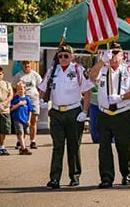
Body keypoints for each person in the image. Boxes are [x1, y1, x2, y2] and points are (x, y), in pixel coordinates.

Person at [89, 42, 130, 189]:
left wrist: (122, 97)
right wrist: (101, 61)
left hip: (123, 113)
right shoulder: (102, 69)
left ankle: (126, 174)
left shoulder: (129, 70)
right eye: (111, 52)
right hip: (104, 114)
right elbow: (91, 77)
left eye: (116, 52)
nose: (113, 56)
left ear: (122, 55)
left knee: (124, 145)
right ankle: (106, 178)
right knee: (104, 147)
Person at [39, 45, 94, 189]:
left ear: (72, 56)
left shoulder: (77, 70)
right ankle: (55, 178)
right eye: (60, 56)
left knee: (73, 146)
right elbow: (43, 88)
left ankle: (74, 176)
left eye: (66, 56)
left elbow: (87, 91)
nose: (62, 59)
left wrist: (85, 111)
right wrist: (42, 101)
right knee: (57, 146)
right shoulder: (52, 71)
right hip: (56, 112)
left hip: (73, 112)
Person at [13, 60, 42, 149]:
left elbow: (41, 87)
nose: (26, 65)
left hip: (33, 99)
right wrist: (17, 98)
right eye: (25, 64)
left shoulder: (35, 75)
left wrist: (39, 97)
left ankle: (32, 141)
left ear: (31, 64)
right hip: (22, 100)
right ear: (22, 65)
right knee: (22, 120)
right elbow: (14, 87)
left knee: (33, 120)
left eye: (28, 63)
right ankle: (20, 141)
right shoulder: (18, 75)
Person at [10, 81, 34, 155]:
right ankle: (23, 148)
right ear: (16, 90)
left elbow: (30, 110)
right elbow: (11, 109)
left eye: (22, 89)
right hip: (17, 118)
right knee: (20, 133)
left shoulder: (27, 99)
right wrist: (19, 104)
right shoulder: (15, 99)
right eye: (18, 89)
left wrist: (29, 120)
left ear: (25, 89)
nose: (20, 90)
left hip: (25, 119)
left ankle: (21, 147)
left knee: (24, 133)